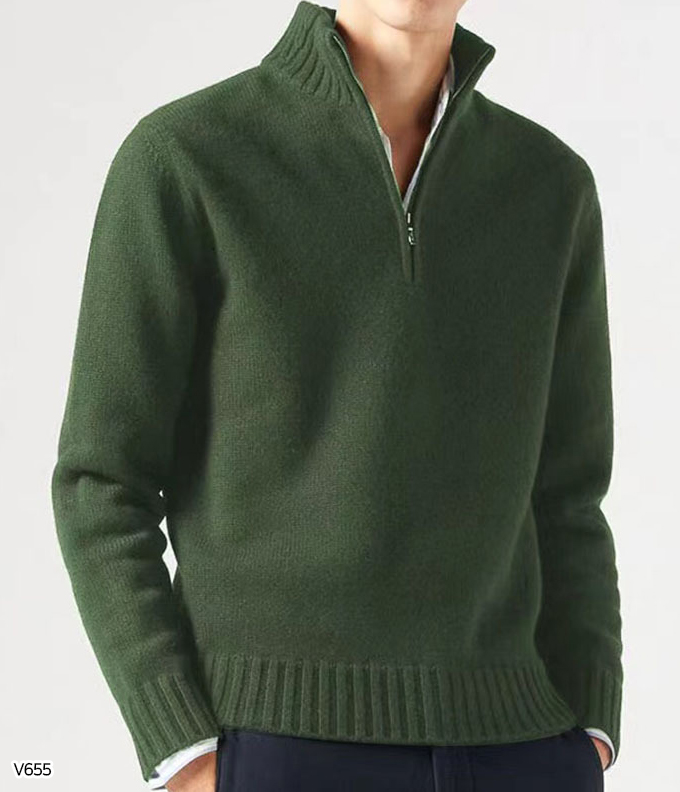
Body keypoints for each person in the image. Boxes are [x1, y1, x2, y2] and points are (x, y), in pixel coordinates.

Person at [51, 1, 623, 790]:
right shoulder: (187, 158)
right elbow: (100, 482)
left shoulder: (549, 186)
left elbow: (568, 494)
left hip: (520, 743)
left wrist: (591, 723)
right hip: (273, 743)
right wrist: (184, 750)